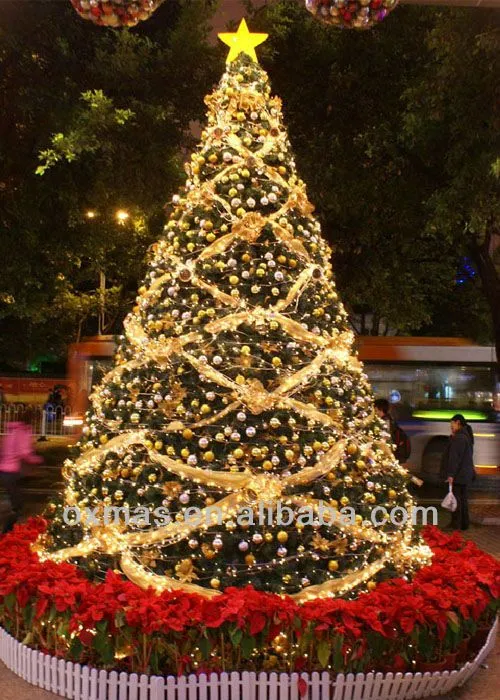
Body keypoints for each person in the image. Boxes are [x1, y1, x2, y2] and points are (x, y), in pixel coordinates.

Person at [0, 410, 42, 534]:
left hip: (5, 470)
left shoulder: (12, 430)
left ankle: (10, 528)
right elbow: (24, 452)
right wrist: (38, 459)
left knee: (15, 500)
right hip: (12, 471)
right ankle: (7, 533)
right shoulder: (22, 432)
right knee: (17, 505)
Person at [442, 414, 475, 531]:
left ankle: (455, 524)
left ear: (458, 422)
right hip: (465, 473)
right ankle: (464, 524)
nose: (451, 426)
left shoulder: (459, 438)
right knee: (463, 499)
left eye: (452, 424)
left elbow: (455, 458)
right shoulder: (465, 435)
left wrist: (451, 474)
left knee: (456, 500)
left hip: (459, 474)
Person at [374, 398, 411, 463]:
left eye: (376, 410)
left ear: (381, 410)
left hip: (391, 453)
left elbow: (386, 440)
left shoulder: (384, 422)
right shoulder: (390, 419)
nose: (375, 413)